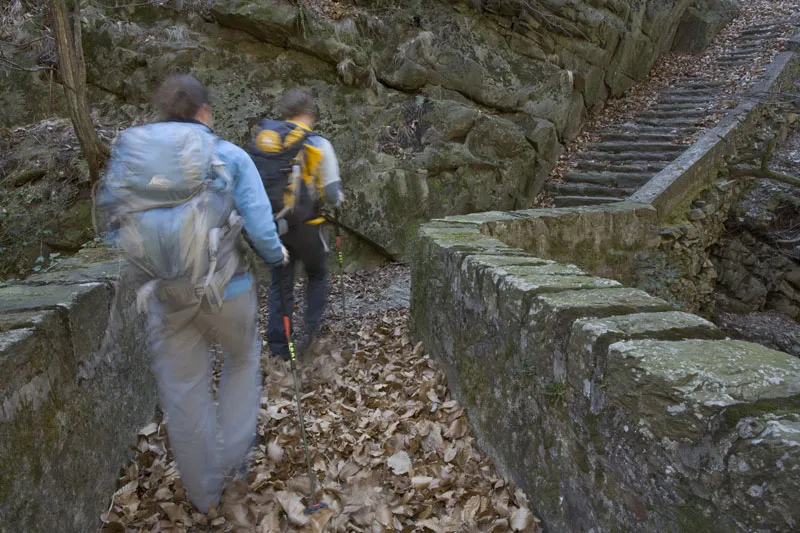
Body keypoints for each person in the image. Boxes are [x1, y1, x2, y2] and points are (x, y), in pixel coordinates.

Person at [94, 74, 288, 513]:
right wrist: (277, 257)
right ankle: (234, 459)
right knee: (242, 360)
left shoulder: (135, 157)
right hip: (227, 290)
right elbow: (259, 226)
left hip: (166, 295)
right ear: (204, 112)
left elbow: (113, 222)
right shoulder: (226, 154)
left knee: (184, 391)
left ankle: (203, 496)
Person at [248, 89, 343, 360]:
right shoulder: (317, 143)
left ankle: (280, 349)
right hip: (306, 226)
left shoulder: (266, 141)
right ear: (309, 115)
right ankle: (309, 335)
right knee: (317, 274)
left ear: (285, 114)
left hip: (272, 224)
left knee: (280, 283)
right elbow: (333, 195)